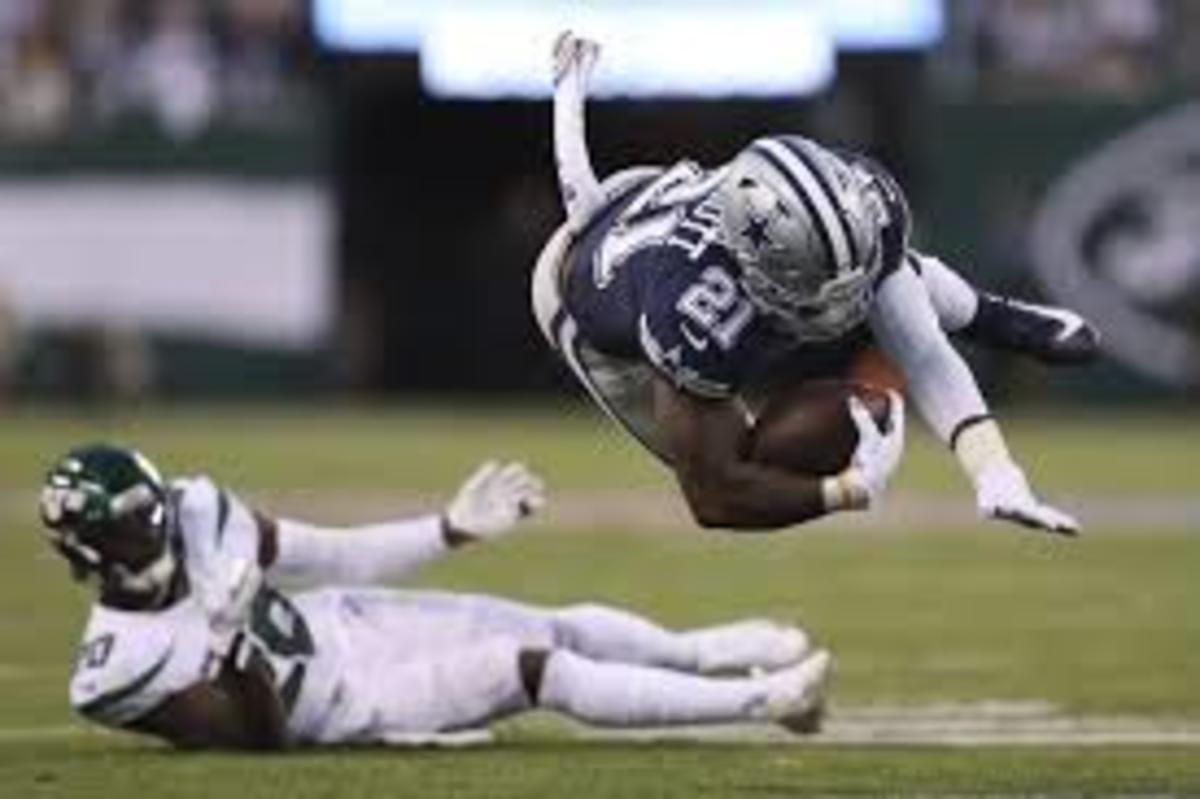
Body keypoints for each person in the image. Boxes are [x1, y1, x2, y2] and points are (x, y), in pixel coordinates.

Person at [533, 33, 1099, 535]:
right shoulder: (692, 314)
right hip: (590, 308)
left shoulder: (865, 197)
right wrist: (846, 492)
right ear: (752, 269)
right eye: (814, 282)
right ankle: (994, 316)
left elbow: (922, 350)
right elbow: (714, 500)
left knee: (888, 275)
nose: (846, 306)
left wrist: (995, 472)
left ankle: (999, 318)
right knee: (745, 463)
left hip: (656, 201)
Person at [44, 444, 831, 751]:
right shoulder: (115, 671)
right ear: (92, 550)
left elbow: (333, 553)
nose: (158, 525)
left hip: (344, 620)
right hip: (345, 702)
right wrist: (231, 647)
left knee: (555, 623)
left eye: (152, 509)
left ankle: (703, 650)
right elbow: (263, 739)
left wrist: (447, 528)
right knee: (535, 666)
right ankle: (766, 701)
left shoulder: (197, 510)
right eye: (134, 524)